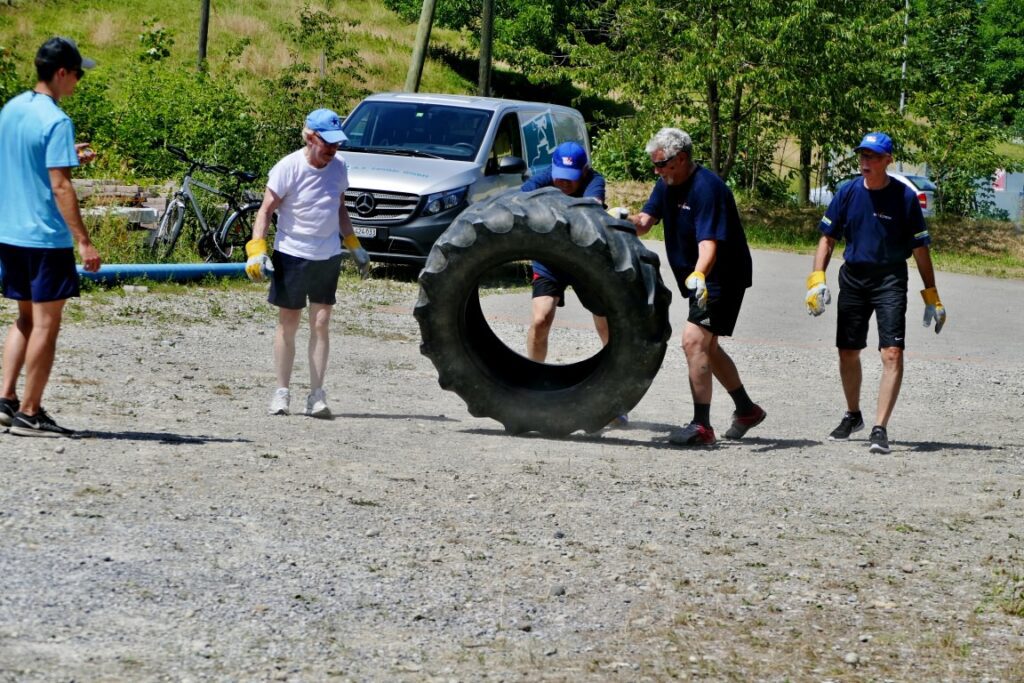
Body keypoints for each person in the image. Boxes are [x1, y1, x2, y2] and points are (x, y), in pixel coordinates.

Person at [805, 131, 946, 454]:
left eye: (872, 156)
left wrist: (932, 296)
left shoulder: (905, 198)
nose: (865, 161)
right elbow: (827, 238)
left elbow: (920, 250)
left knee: (892, 352)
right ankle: (852, 414)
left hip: (890, 280)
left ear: (888, 160)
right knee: (848, 351)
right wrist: (816, 279)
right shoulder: (848, 192)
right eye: (862, 155)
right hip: (854, 278)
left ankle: (880, 427)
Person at [631, 128, 765, 446]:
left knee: (693, 341)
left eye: (661, 164)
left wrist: (699, 275)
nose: (656, 171)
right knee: (708, 347)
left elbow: (709, 246)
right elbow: (646, 222)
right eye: (654, 164)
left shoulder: (708, 189)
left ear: (681, 158)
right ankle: (746, 410)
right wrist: (619, 220)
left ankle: (702, 426)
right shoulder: (667, 183)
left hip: (721, 276)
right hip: (701, 276)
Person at [0, 37, 101, 437]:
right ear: (61, 73)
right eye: (77, 74)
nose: (78, 81)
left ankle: (6, 399)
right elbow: (61, 186)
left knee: (24, 318)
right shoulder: (56, 120)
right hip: (44, 237)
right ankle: (30, 412)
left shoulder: (11, 109)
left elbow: (23, 158)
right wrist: (84, 240)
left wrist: (66, 152)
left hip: (9, 232)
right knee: (46, 325)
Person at [245, 108, 370, 418]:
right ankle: (281, 392)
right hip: (292, 252)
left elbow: (339, 207)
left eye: (336, 143)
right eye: (327, 143)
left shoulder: (339, 167)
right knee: (288, 323)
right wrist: (256, 249)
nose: (332, 149)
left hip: (327, 254)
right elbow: (265, 210)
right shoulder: (288, 167)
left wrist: (353, 243)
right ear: (311, 138)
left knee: (321, 323)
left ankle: (316, 395)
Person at [520, 141, 626, 428]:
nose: (563, 182)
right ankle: (533, 385)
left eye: (571, 177)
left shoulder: (594, 181)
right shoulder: (544, 177)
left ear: (584, 171)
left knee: (606, 325)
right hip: (549, 259)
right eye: (559, 176)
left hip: (586, 261)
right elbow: (518, 201)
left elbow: (589, 210)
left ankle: (614, 396)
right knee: (541, 319)